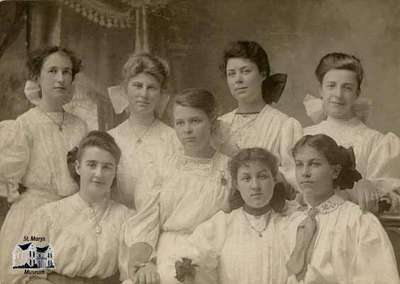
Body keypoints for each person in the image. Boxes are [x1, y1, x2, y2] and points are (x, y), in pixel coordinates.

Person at [119, 88, 231, 284]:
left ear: (212, 122)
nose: (187, 130)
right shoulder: (162, 167)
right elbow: (146, 221)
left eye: (195, 121)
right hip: (165, 255)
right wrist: (145, 263)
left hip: (213, 257)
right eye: (180, 123)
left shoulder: (229, 169)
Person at [0, 46, 87, 282]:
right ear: (37, 78)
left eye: (67, 72)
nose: (60, 78)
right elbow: (9, 176)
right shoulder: (24, 125)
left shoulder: (79, 126)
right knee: (35, 279)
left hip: (72, 215)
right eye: (53, 71)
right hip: (35, 216)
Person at [11, 131, 131, 284]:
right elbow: (29, 276)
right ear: (78, 167)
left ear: (115, 172)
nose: (99, 174)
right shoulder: (46, 216)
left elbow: (129, 275)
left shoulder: (125, 218)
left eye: (107, 167)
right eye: (92, 165)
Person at [287, 134, 399, 284]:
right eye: (299, 164)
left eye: (314, 164)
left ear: (335, 171)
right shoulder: (292, 222)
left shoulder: (358, 221)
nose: (305, 172)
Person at [173, 148, 295, 284]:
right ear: (237, 184)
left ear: (274, 179)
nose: (255, 186)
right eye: (246, 178)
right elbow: (191, 255)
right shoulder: (223, 224)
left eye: (262, 176)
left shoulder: (288, 222)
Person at [304, 52, 400, 212]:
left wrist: (371, 187)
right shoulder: (303, 135)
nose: (338, 94)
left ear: (357, 93)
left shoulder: (376, 142)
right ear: (320, 90)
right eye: (331, 86)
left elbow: (391, 195)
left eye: (347, 87)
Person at [216, 40, 302, 187]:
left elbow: (296, 180)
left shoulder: (284, 125)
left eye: (246, 71)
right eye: (231, 74)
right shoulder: (219, 126)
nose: (238, 80)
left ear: (263, 74)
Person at [108, 52, 180, 210]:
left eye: (152, 88)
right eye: (138, 86)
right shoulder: (110, 138)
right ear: (126, 89)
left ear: (161, 94)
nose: (144, 94)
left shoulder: (173, 139)